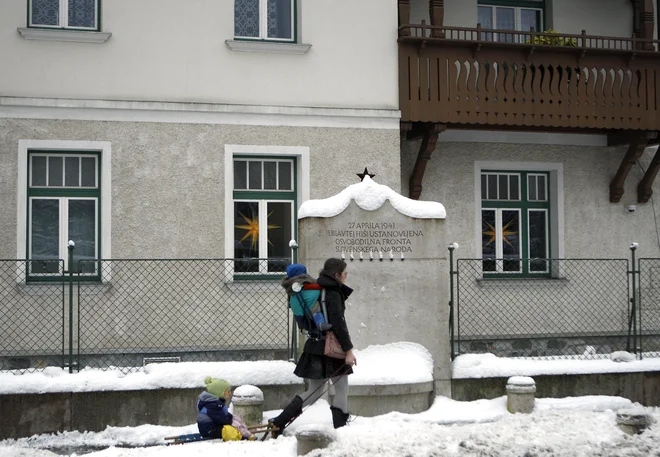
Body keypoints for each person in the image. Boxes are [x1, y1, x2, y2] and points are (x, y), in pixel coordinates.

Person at [270, 258, 357, 436]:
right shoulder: (331, 292)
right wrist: (348, 350)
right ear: (336, 275)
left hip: (315, 346)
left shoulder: (304, 292)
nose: (346, 276)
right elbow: (338, 324)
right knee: (342, 389)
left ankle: (278, 423)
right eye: (344, 273)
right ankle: (341, 432)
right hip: (332, 347)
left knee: (313, 393)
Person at [196, 376, 253, 441]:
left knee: (233, 422)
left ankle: (242, 432)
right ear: (219, 393)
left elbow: (222, 414)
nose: (230, 393)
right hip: (209, 430)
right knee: (229, 430)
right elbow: (221, 419)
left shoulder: (216, 403)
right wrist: (231, 421)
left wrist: (232, 418)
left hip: (214, 426)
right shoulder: (212, 405)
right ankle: (242, 438)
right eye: (228, 391)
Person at [282, 263, 332, 331]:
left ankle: (316, 323)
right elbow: (314, 285)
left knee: (311, 307)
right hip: (308, 306)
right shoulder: (302, 281)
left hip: (300, 308)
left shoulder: (291, 286)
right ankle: (320, 322)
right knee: (315, 308)